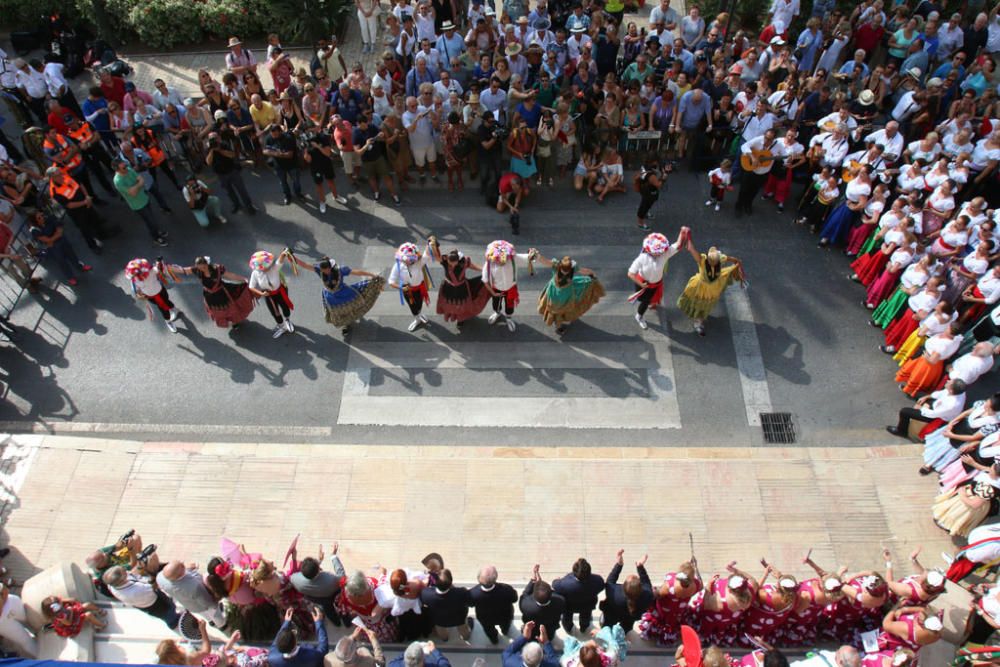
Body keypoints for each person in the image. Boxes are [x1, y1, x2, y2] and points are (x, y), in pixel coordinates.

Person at [289, 253, 384, 336]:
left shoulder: (340, 270)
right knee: (338, 313)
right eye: (323, 271)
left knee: (352, 306)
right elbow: (305, 265)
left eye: (326, 270)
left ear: (330, 268)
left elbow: (356, 272)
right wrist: (292, 257)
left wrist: (372, 275)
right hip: (331, 297)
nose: (324, 272)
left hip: (344, 293)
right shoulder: (319, 270)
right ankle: (346, 323)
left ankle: (348, 323)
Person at [677, 239, 746, 336]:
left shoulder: (703, 260)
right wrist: (738, 264)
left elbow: (692, 250)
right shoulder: (721, 260)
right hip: (713, 288)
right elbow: (734, 260)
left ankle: (698, 322)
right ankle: (699, 322)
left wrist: (688, 241)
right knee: (706, 303)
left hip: (700, 287)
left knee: (697, 302)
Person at [627, 229, 689, 330]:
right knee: (644, 302)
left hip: (655, 284)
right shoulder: (642, 258)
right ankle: (639, 316)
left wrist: (682, 233)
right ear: (649, 250)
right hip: (644, 284)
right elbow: (630, 273)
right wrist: (641, 284)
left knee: (650, 299)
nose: (660, 253)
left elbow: (677, 245)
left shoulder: (664, 254)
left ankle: (648, 307)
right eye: (657, 252)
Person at [172, 257, 254, 330]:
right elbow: (182, 270)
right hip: (209, 296)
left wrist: (243, 279)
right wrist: (167, 268)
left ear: (207, 264)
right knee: (218, 312)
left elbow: (229, 275)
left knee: (230, 308)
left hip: (222, 293)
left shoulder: (217, 269)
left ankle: (235, 322)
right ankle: (226, 322)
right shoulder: (197, 270)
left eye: (203, 267)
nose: (202, 270)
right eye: (200, 268)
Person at [533, 252, 605, 335]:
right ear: (560, 266)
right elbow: (545, 262)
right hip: (554, 292)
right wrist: (537, 255)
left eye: (566, 271)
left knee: (563, 307)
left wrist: (592, 273)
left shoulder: (573, 267)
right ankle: (558, 326)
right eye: (563, 271)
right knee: (555, 308)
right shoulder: (556, 265)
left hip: (567, 293)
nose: (565, 273)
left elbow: (583, 271)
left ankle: (559, 324)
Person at [638, 559, 702, 646]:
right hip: (679, 612)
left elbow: (658, 594)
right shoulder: (695, 586)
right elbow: (700, 584)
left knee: (660, 619)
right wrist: (695, 568)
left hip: (665, 610)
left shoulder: (670, 584)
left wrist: (653, 590)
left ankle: (657, 634)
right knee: (674, 621)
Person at [27, 208, 92, 287]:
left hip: (59, 241)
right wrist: (55, 236)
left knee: (72, 254)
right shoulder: (34, 230)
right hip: (53, 248)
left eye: (41, 215)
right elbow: (47, 240)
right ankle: (70, 277)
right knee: (62, 261)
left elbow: (59, 230)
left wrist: (52, 239)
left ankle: (80, 266)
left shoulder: (49, 218)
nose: (42, 218)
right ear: (35, 221)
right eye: (39, 218)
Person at [482, 240, 536, 332]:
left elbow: (528, 258)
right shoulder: (489, 264)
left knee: (510, 306)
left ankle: (508, 318)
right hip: (496, 289)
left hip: (510, 288)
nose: (502, 262)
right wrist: (493, 293)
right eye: (499, 260)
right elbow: (485, 281)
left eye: (504, 259)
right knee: (496, 304)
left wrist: (533, 253)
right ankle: (497, 313)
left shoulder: (513, 258)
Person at [112, 159, 169, 247]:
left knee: (152, 218)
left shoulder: (129, 170)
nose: (126, 168)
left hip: (144, 198)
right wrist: (138, 185)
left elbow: (141, 180)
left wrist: (135, 187)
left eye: (125, 166)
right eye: (123, 167)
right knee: (150, 221)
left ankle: (157, 231)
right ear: (117, 169)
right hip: (137, 205)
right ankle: (156, 237)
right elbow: (133, 192)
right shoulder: (118, 181)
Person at [103, 565, 180, 629]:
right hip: (155, 604)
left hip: (141, 604)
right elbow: (154, 587)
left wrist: (140, 567)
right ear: (122, 579)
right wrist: (152, 572)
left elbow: (133, 574)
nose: (126, 570)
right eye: (124, 571)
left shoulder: (111, 585)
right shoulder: (137, 590)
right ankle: (173, 623)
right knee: (169, 611)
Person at [432, 246, 491, 328]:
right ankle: (453, 315)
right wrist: (433, 246)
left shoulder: (464, 262)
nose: (452, 265)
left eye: (454, 263)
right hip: (448, 287)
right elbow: (436, 257)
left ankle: (461, 320)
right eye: (450, 262)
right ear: (448, 260)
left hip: (462, 288)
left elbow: (473, 266)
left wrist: (484, 270)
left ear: (458, 260)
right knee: (450, 304)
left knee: (462, 305)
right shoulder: (445, 261)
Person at [156, 560, 225, 627]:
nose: (183, 562)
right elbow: (207, 602)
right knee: (215, 614)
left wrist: (188, 569)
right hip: (202, 605)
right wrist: (215, 604)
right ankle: (221, 625)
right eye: (182, 566)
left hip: (191, 606)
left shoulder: (160, 577)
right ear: (181, 574)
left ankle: (211, 621)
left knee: (205, 615)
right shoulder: (194, 587)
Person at [600, 549, 653, 632]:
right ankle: (622, 632)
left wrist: (619, 564)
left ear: (623, 586)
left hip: (613, 615)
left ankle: (607, 629)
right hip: (630, 618)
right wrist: (640, 567)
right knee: (626, 626)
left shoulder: (614, 593)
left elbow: (609, 582)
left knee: (608, 624)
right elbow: (647, 583)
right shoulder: (648, 596)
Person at [389, 239, 437, 332]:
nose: (407, 262)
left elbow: (426, 254)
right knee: (412, 305)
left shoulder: (419, 262)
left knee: (419, 304)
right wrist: (401, 287)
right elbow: (391, 281)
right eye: (405, 259)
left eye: (410, 259)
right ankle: (417, 318)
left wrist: (430, 243)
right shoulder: (398, 265)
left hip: (420, 288)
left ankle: (419, 314)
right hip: (407, 290)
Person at [125, 258, 182, 334]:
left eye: (134, 274)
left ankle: (168, 321)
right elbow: (136, 290)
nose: (132, 276)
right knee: (166, 303)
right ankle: (175, 310)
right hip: (150, 297)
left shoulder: (151, 271)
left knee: (163, 308)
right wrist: (139, 295)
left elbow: (162, 270)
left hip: (160, 292)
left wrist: (161, 265)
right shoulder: (134, 279)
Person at [248, 250, 296, 339]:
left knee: (285, 306)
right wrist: (261, 293)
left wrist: (283, 253)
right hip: (268, 295)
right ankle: (282, 326)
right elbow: (251, 287)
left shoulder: (274, 268)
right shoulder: (255, 273)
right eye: (264, 266)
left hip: (280, 292)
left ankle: (287, 320)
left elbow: (280, 261)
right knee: (274, 312)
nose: (268, 266)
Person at [207, 131, 257, 215]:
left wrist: (220, 150)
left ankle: (249, 206)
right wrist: (212, 150)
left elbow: (232, 155)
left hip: (232, 171)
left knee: (242, 190)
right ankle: (236, 205)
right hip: (221, 175)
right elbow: (208, 162)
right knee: (229, 191)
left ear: (219, 137)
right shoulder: (209, 149)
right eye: (212, 139)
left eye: (215, 138)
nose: (214, 140)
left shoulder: (224, 144)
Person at [553, 558, 605, 635]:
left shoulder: (564, 584)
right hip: (587, 605)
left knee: (567, 618)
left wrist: (556, 580)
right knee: (585, 618)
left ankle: (569, 629)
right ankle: (583, 628)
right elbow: (601, 587)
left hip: (569, 606)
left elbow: (555, 585)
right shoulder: (598, 580)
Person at [469, 565, 517, 645]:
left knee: (489, 630)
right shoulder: (506, 589)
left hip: (485, 619)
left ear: (479, 579)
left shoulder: (473, 593)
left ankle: (494, 640)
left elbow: (470, 604)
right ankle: (505, 631)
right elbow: (514, 599)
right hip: (504, 616)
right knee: (505, 626)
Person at [419, 568, 471, 641]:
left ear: (435, 582)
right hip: (459, 618)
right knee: (463, 628)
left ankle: (445, 638)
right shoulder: (462, 592)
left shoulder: (426, 594)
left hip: (439, 620)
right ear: (451, 582)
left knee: (440, 629)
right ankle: (466, 637)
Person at [519, 565, 565, 641]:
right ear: (551, 593)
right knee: (549, 636)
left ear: (533, 595)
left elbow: (525, 594)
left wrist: (533, 582)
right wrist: (556, 585)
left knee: (531, 637)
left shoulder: (525, 604)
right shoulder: (560, 601)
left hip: (532, 628)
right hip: (550, 628)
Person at [263, 124, 305, 205]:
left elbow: (290, 155)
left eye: (275, 134)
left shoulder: (288, 138)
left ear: (280, 132)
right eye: (272, 134)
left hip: (292, 165)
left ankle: (298, 194)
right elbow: (264, 150)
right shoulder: (269, 138)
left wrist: (274, 153)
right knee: (283, 182)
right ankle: (287, 196)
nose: (273, 136)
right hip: (278, 166)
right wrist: (277, 153)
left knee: (296, 181)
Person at [41, 595, 106, 638]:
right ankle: (101, 625)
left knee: (87, 605)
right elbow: (69, 623)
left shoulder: (60, 606)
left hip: (71, 612)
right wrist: (71, 611)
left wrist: (68, 602)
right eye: (59, 601)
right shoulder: (60, 617)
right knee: (88, 615)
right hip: (71, 624)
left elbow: (72, 600)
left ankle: (99, 610)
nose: (60, 600)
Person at [0, 583, 37, 658]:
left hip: (11, 603)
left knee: (32, 619)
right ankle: (45, 658)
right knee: (25, 640)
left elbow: (4, 589)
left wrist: (2, 601)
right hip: (2, 622)